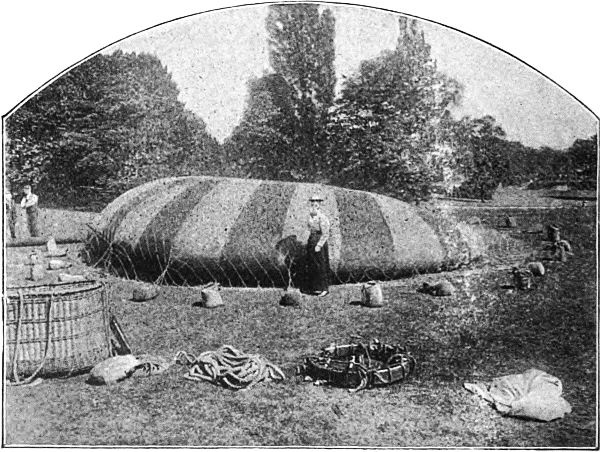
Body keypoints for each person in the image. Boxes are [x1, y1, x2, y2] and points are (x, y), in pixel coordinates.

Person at [305, 194, 331, 297]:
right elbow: (309, 229)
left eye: (316, 204)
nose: (313, 205)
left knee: (321, 265)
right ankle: (316, 287)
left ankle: (324, 288)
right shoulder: (310, 217)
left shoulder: (322, 218)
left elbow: (325, 234)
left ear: (319, 205)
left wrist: (319, 245)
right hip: (312, 240)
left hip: (319, 241)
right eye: (312, 203)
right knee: (313, 264)